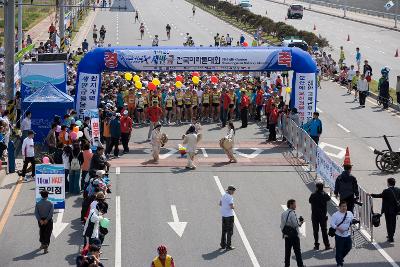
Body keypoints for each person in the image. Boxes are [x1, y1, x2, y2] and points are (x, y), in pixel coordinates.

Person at [370, 177, 400, 243]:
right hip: (395, 210)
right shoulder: (398, 190)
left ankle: (391, 237)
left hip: (388, 210)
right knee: (393, 222)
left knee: (389, 224)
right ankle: (392, 234)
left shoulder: (386, 191)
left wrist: (371, 194)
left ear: (388, 183)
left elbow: (380, 195)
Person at [280, 199, 305, 267]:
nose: (295, 205)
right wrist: (301, 222)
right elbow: (295, 224)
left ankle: (286, 265)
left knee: (287, 252)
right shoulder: (292, 213)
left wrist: (285, 232)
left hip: (287, 235)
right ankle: (300, 265)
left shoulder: (283, 213)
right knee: (297, 252)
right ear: (291, 205)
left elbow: (281, 225)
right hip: (294, 236)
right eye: (294, 204)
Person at [334, 148, 359, 214]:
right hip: (350, 196)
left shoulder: (339, 177)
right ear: (350, 169)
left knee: (343, 211)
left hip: (342, 196)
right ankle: (349, 222)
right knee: (350, 211)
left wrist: (336, 193)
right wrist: (357, 195)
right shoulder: (352, 178)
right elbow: (355, 187)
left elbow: (337, 186)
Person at [330, 201, 354, 267]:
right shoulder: (335, 215)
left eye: (345, 206)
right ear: (339, 207)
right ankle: (339, 263)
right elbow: (332, 223)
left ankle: (340, 258)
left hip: (347, 234)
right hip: (339, 235)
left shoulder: (349, 213)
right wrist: (338, 228)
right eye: (343, 206)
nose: (344, 208)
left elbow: (352, 220)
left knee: (349, 247)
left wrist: (354, 221)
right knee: (339, 250)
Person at [309, 181, 331, 250]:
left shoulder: (313, 195)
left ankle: (316, 245)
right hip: (323, 216)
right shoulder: (324, 194)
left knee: (315, 231)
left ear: (316, 187)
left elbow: (310, 201)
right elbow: (329, 199)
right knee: (324, 230)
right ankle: (327, 245)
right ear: (322, 187)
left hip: (315, 216)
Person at [34, 190, 54, 254]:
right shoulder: (50, 203)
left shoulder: (38, 203)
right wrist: (47, 220)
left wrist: (40, 220)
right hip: (48, 221)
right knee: (48, 233)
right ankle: (46, 247)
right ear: (47, 196)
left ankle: (42, 244)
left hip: (40, 221)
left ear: (41, 196)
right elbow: (51, 213)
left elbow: (36, 213)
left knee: (42, 232)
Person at [220, 185, 236, 250]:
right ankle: (228, 246)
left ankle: (223, 244)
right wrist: (234, 206)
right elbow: (231, 206)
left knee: (224, 231)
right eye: (233, 191)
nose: (233, 192)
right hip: (229, 216)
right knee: (230, 231)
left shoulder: (223, 195)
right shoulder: (230, 197)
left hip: (224, 215)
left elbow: (220, 203)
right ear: (229, 190)